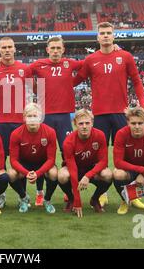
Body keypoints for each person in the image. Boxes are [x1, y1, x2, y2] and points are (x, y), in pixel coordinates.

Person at [75, 21, 144, 208]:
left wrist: (143, 105)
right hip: (98, 115)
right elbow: (76, 80)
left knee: (127, 156)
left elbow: (137, 81)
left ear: (114, 36)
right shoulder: (91, 60)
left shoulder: (125, 56)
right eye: (102, 33)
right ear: (97, 37)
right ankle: (103, 193)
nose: (105, 36)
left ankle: (131, 195)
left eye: (108, 33)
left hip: (120, 115)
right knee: (100, 156)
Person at [29, 36, 83, 206]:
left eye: (58, 48)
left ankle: (69, 190)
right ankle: (39, 192)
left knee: (68, 154)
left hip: (64, 117)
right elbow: (24, 74)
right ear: (47, 50)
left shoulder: (70, 63)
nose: (55, 51)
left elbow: (87, 66)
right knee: (41, 156)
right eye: (52, 48)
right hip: (44, 117)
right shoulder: (38, 65)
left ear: (63, 49)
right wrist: (38, 89)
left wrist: (71, 83)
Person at [0, 37, 33, 208]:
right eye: (3, 47)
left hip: (19, 122)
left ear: (15, 49)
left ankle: (22, 196)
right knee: (0, 161)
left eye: (10, 47)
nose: (7, 50)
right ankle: (0, 194)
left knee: (21, 162)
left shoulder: (24, 69)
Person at [58, 109, 113, 217]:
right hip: (75, 169)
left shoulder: (100, 135)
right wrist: (78, 201)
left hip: (92, 170)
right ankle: (71, 198)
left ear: (92, 123)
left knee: (108, 175)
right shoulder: (68, 142)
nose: (84, 126)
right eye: (81, 123)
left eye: (87, 123)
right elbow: (73, 170)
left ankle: (95, 199)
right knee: (62, 175)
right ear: (75, 124)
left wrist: (88, 176)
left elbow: (103, 162)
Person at [8, 103, 58, 214]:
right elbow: (13, 161)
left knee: (54, 173)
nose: (32, 119)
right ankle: (24, 197)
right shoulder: (16, 134)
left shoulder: (50, 132)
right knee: (11, 174)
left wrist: (38, 173)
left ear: (40, 117)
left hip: (43, 163)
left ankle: (47, 200)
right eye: (29, 116)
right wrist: (26, 173)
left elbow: (51, 159)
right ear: (24, 117)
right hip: (24, 164)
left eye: (35, 116)